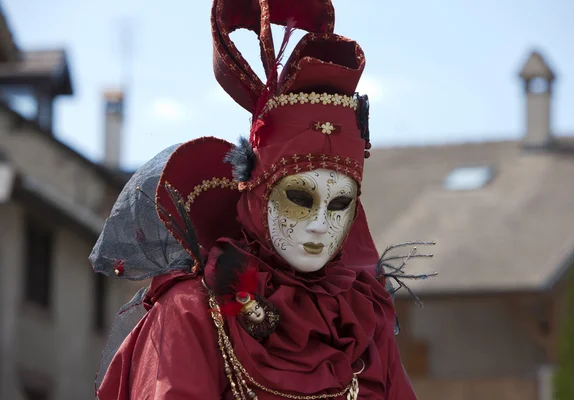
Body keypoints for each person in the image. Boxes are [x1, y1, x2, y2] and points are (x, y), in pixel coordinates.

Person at [90, 1, 436, 398]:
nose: (321, 224)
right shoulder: (193, 311)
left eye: (340, 204)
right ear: (257, 192)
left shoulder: (360, 322)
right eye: (299, 198)